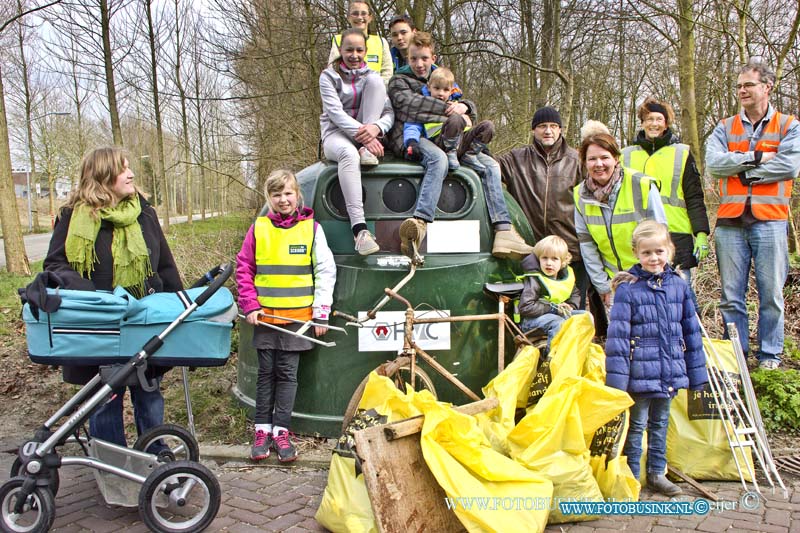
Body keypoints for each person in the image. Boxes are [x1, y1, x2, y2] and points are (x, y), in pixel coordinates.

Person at [43, 146, 182, 448]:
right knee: (104, 399)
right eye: (122, 169)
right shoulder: (72, 217)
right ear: (103, 176)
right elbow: (55, 264)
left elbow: (165, 266)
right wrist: (92, 296)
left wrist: (183, 312)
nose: (131, 174)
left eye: (129, 167)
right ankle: (111, 463)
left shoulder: (145, 213)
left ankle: (155, 456)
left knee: (149, 394)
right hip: (99, 323)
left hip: (144, 321)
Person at [388, 32, 533, 260]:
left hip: (455, 142)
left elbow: (466, 104)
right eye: (414, 59)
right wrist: (454, 109)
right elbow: (410, 106)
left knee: (491, 167)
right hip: (425, 140)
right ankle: (420, 224)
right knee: (439, 159)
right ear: (407, 58)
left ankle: (503, 230)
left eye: (424, 58)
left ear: (432, 56)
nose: (419, 63)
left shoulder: (442, 78)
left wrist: (466, 106)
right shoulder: (399, 80)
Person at [705, 60, 800, 371]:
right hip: (730, 223)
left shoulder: (789, 126)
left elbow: (789, 166)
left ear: (766, 87)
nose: (742, 90)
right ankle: (737, 356)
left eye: (748, 85)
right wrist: (757, 157)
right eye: (739, 86)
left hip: (771, 220)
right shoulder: (724, 126)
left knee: (771, 294)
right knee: (731, 296)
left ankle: (770, 356)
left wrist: (744, 171)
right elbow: (715, 164)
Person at [236, 169, 336, 462]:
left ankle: (282, 432)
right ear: (269, 197)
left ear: (297, 195)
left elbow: (325, 271)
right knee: (265, 375)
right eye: (276, 194)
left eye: (288, 193)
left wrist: (321, 313)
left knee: (288, 375)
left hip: (298, 321)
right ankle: (261, 431)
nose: (283, 199)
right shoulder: (259, 228)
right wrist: (250, 305)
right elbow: (244, 268)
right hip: (266, 319)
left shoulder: (312, 229)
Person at [605, 220, 707, 496]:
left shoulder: (679, 285)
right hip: (639, 373)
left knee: (661, 424)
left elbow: (691, 331)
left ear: (670, 251)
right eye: (647, 253)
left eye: (659, 251)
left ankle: (657, 474)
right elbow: (617, 339)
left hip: (669, 371)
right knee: (636, 426)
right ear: (637, 253)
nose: (653, 258)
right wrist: (616, 384)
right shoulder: (628, 289)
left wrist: (698, 377)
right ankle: (632, 477)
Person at [495, 106, 590, 306]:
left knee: (572, 308)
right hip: (531, 251)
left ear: (560, 129)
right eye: (542, 126)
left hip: (569, 249)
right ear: (533, 130)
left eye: (553, 126)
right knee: (532, 308)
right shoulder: (515, 159)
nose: (548, 131)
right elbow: (488, 168)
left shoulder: (577, 161)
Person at [573, 121, 667, 311]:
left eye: (604, 157)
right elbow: (587, 245)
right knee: (621, 336)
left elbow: (661, 236)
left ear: (616, 158)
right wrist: (603, 285)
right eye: (592, 159)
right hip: (613, 283)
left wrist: (656, 277)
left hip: (647, 277)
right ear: (584, 162)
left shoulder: (641, 185)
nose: (598, 164)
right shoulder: (580, 195)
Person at [320, 27, 395, 255]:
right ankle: (360, 231)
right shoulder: (328, 76)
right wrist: (364, 136)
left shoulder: (373, 77)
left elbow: (389, 113)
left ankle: (364, 149)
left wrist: (376, 128)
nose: (354, 55)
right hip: (336, 135)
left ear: (365, 50)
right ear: (340, 50)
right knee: (348, 154)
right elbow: (335, 114)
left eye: (359, 50)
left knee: (376, 83)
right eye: (349, 49)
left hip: (366, 136)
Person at [621, 97, 710, 287]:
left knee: (682, 294)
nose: (654, 123)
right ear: (642, 122)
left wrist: (701, 232)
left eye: (658, 119)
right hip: (639, 233)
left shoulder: (681, 153)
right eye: (649, 119)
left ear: (666, 123)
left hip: (675, 233)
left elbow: (694, 196)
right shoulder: (625, 155)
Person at [402, 66, 491, 171]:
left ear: (451, 91)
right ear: (429, 87)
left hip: (462, 142)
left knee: (488, 126)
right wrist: (412, 142)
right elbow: (412, 125)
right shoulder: (423, 104)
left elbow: (470, 120)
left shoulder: (456, 105)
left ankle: (471, 154)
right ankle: (450, 152)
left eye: (445, 90)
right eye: (437, 88)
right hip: (440, 141)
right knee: (456, 119)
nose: (441, 93)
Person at [517, 235, 581, 346]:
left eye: (554, 259)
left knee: (585, 317)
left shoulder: (567, 277)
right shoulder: (535, 278)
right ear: (538, 259)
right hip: (532, 321)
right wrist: (553, 308)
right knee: (557, 323)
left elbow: (575, 294)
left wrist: (571, 306)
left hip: (557, 314)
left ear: (563, 261)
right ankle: (551, 358)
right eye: (544, 258)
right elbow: (526, 306)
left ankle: (578, 353)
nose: (549, 263)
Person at [328, 1, 392, 85]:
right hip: (347, 94)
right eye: (355, 13)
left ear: (370, 17)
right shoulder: (338, 40)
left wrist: (376, 90)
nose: (359, 17)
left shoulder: (381, 42)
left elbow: (387, 73)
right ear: (348, 17)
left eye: (363, 13)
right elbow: (332, 70)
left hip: (375, 93)